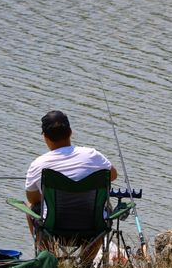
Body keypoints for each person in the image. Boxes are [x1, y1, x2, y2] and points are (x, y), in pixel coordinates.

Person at [24, 110, 118, 259]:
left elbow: (33, 198)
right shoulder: (93, 155)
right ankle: (85, 264)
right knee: (105, 205)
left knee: (30, 207)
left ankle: (49, 260)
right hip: (93, 229)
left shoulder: (38, 165)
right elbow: (112, 175)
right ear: (71, 132)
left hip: (54, 229)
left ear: (45, 137)